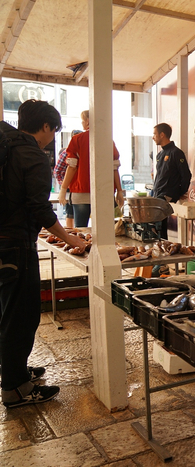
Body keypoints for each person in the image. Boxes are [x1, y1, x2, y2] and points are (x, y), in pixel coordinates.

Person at [0, 100, 87, 408]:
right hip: (16, 244)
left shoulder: (7, 144)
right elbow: (40, 209)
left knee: (7, 311)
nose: (52, 138)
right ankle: (15, 388)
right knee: (22, 316)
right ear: (46, 126)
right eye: (54, 131)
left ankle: (13, 370)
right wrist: (70, 238)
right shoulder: (32, 155)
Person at [58, 110, 124, 227]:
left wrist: (63, 190)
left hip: (81, 192)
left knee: (81, 229)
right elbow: (114, 168)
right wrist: (119, 190)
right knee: (105, 230)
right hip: (104, 192)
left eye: (83, 121)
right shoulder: (108, 141)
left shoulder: (77, 140)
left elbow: (72, 167)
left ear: (88, 121)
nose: (82, 123)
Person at [151, 123, 192, 240]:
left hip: (167, 195)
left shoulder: (176, 153)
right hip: (157, 194)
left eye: (154, 134)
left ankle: (163, 247)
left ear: (162, 135)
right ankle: (159, 247)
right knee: (155, 227)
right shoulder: (160, 154)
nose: (153, 137)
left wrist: (180, 192)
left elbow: (186, 175)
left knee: (159, 226)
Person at [53, 129, 82, 228]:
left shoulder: (86, 151)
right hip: (71, 187)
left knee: (78, 214)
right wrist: (65, 185)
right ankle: (71, 232)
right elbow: (57, 171)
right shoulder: (67, 152)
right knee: (70, 212)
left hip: (82, 186)